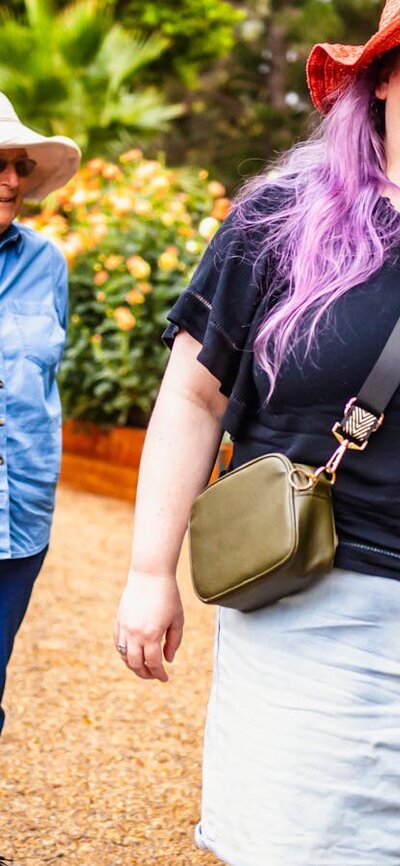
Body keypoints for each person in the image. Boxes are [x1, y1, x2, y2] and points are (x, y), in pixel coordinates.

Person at [115, 2, 400, 863]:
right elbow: (195, 399)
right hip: (317, 622)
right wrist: (147, 572)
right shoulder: (287, 219)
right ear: (383, 77)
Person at [0, 94, 80, 735]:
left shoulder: (46, 264)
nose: (10, 180)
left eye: (19, 166)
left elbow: (46, 379)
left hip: (20, 518)